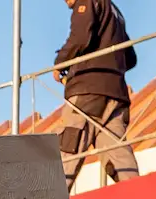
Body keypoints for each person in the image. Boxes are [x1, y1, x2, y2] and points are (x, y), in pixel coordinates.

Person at [57, 0, 140, 188]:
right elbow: (131, 58)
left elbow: (80, 37)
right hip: (115, 97)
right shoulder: (115, 12)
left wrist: (60, 63)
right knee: (118, 156)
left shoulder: (87, 1)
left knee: (70, 147)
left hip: (87, 92)